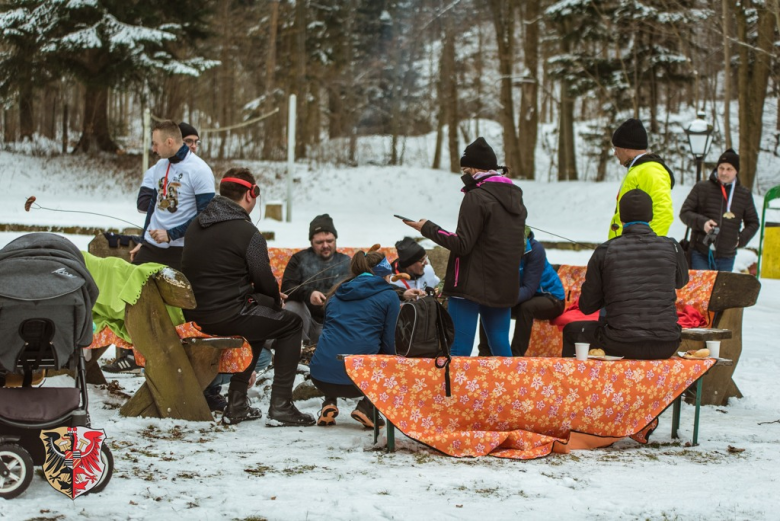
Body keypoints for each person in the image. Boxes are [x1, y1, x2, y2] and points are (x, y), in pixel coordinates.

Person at [181, 168, 315, 426]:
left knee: (262, 315)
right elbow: (264, 281)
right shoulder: (248, 233)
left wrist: (267, 301)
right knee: (291, 324)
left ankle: (238, 403)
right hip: (227, 316)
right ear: (251, 194)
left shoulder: (195, 225)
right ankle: (281, 406)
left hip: (196, 314)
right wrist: (277, 300)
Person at [107, 121, 214, 374]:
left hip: (181, 248)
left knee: (184, 303)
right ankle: (131, 353)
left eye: (155, 143)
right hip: (153, 246)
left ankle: (185, 358)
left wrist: (172, 233)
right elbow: (151, 207)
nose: (152, 148)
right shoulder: (159, 167)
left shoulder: (199, 170)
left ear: (169, 141)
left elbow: (206, 216)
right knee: (131, 296)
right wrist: (144, 239)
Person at [404, 137, 527, 357]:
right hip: (504, 284)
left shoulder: (476, 197)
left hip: (469, 286)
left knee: (459, 348)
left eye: (464, 170)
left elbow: (462, 244)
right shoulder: (515, 198)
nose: (463, 175)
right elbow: (519, 247)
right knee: (500, 344)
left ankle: (457, 392)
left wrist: (427, 228)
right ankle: (508, 391)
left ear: (473, 169)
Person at [563, 189, 689, 360]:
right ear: (651, 218)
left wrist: (610, 292)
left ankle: (580, 385)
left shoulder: (605, 251)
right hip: (667, 343)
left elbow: (587, 306)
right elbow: (681, 282)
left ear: (621, 219)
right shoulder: (672, 246)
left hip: (620, 343)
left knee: (572, 331)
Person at [309, 249, 400, 429]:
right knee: (391, 359)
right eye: (389, 276)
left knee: (336, 345)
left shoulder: (335, 295)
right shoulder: (389, 296)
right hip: (358, 382)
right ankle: (367, 407)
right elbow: (390, 341)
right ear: (383, 275)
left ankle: (329, 402)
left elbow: (329, 332)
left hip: (320, 377)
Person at [477, 228, 565, 357]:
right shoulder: (504, 250)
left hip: (552, 298)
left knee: (526, 308)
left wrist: (503, 299)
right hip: (526, 296)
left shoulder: (536, 250)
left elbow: (529, 289)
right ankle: (484, 353)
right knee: (489, 306)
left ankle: (515, 355)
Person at [679, 149, 759, 272]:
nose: (724, 172)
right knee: (703, 290)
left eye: (729, 169)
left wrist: (740, 239)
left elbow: (753, 222)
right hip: (700, 252)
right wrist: (703, 223)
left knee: (720, 291)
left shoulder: (744, 194)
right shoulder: (702, 188)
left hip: (727, 256)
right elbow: (684, 213)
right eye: (721, 168)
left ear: (736, 171)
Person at [281, 214, 350, 346]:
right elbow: (287, 287)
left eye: (329, 241)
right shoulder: (299, 259)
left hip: (334, 324)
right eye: (319, 242)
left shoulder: (345, 262)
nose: (325, 245)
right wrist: (309, 294)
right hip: (306, 322)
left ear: (335, 239)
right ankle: (296, 351)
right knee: (292, 306)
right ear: (311, 242)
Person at [608, 118, 675, 240]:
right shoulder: (639, 169)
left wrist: (644, 247)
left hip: (635, 252)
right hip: (623, 248)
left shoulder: (650, 170)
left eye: (616, 149)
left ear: (626, 148)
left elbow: (663, 213)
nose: (615, 153)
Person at [137, 122, 202, 214]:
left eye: (196, 142)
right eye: (188, 141)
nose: (194, 146)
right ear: (176, 141)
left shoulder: (200, 170)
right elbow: (142, 206)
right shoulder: (155, 170)